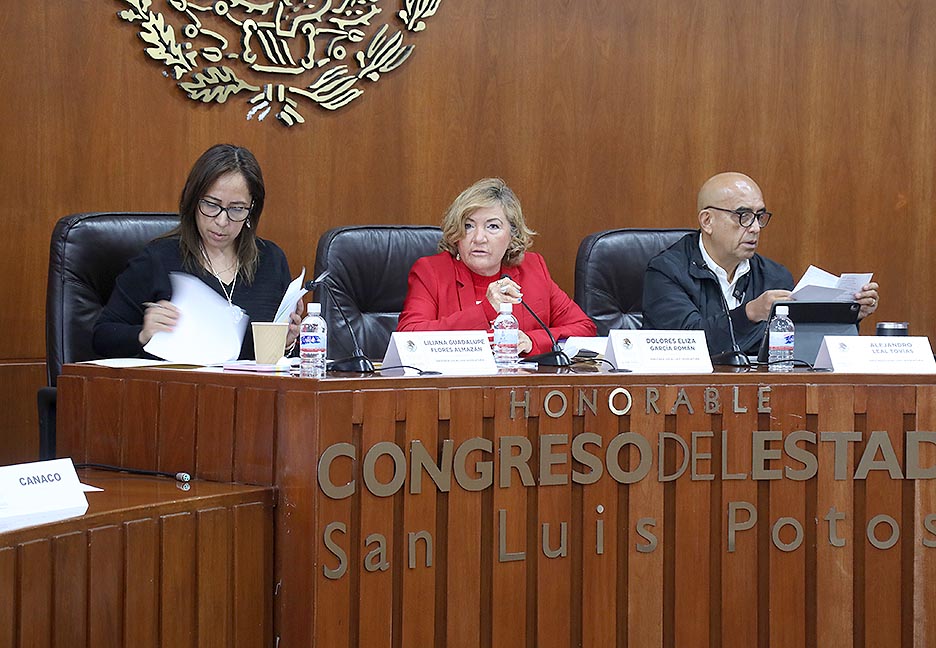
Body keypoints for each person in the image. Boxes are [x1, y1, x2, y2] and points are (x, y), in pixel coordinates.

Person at [93, 144, 303, 360]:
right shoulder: (158, 259)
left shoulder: (271, 260)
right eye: (211, 205)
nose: (222, 221)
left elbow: (284, 361)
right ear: (193, 201)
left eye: (237, 209)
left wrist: (287, 344)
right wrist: (143, 334)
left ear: (251, 209)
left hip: (250, 382)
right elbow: (102, 337)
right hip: (176, 381)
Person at [642, 171, 880, 357]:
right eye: (743, 216)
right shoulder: (666, 272)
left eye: (759, 216)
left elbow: (801, 346)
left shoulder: (774, 276)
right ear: (707, 221)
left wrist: (849, 314)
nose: (755, 228)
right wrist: (750, 313)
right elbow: (685, 345)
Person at [398, 177, 596, 355]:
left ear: (512, 235)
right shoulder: (431, 272)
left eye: (493, 226)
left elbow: (584, 328)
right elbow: (408, 338)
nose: (479, 238)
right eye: (468, 226)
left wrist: (532, 341)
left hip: (520, 382)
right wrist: (486, 310)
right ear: (456, 233)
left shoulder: (533, 269)